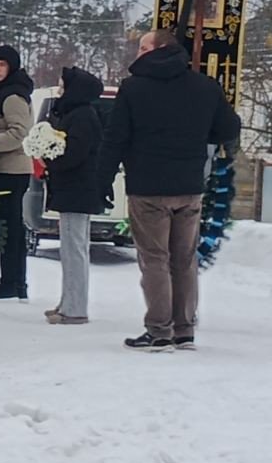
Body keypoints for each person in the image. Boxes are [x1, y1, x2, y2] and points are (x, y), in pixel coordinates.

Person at [99, 29, 241, 352]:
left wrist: (103, 180)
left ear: (159, 49)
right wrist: (199, 136)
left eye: (142, 47)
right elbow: (229, 127)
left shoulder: (133, 88)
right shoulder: (205, 86)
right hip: (190, 186)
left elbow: (115, 138)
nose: (138, 52)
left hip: (147, 187)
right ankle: (184, 329)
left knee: (154, 259)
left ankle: (159, 330)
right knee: (184, 259)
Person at [41, 67, 106, 327]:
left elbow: (73, 154)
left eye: (63, 85)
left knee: (74, 249)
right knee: (71, 248)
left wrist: (49, 159)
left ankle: (75, 308)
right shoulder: (78, 114)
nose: (60, 90)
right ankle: (68, 301)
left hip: (77, 190)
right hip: (75, 190)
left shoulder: (82, 116)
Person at [0, 45, 34, 301]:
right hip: (9, 167)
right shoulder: (8, 92)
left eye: (2, 65)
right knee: (11, 225)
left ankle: (11, 282)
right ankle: (15, 281)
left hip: (12, 168)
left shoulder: (13, 96)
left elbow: (18, 132)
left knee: (9, 226)